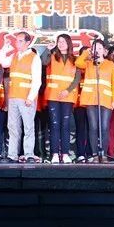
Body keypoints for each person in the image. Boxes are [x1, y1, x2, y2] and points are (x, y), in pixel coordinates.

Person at [41, 34, 87, 164]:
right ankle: (55, 154)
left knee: (65, 125)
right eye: (59, 41)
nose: (60, 44)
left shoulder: (75, 59)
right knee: (55, 125)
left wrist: (68, 90)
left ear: (68, 43)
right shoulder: (52, 56)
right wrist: (48, 49)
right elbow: (43, 61)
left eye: (63, 41)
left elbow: (77, 78)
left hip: (68, 96)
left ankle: (65, 154)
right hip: (53, 95)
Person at [0, 31, 42, 163]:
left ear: (28, 42)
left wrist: (31, 97)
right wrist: (5, 47)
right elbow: (3, 62)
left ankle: (29, 154)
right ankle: (12, 155)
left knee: (28, 127)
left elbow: (37, 80)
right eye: (16, 41)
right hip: (13, 97)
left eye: (20, 41)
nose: (17, 43)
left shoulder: (34, 57)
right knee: (13, 127)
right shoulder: (15, 56)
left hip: (26, 98)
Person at [78, 39, 114, 162]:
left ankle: (104, 154)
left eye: (100, 48)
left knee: (104, 127)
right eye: (95, 48)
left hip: (106, 99)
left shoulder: (110, 64)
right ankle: (95, 154)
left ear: (104, 51)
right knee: (93, 127)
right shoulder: (88, 62)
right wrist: (87, 53)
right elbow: (78, 63)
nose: (97, 50)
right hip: (90, 99)